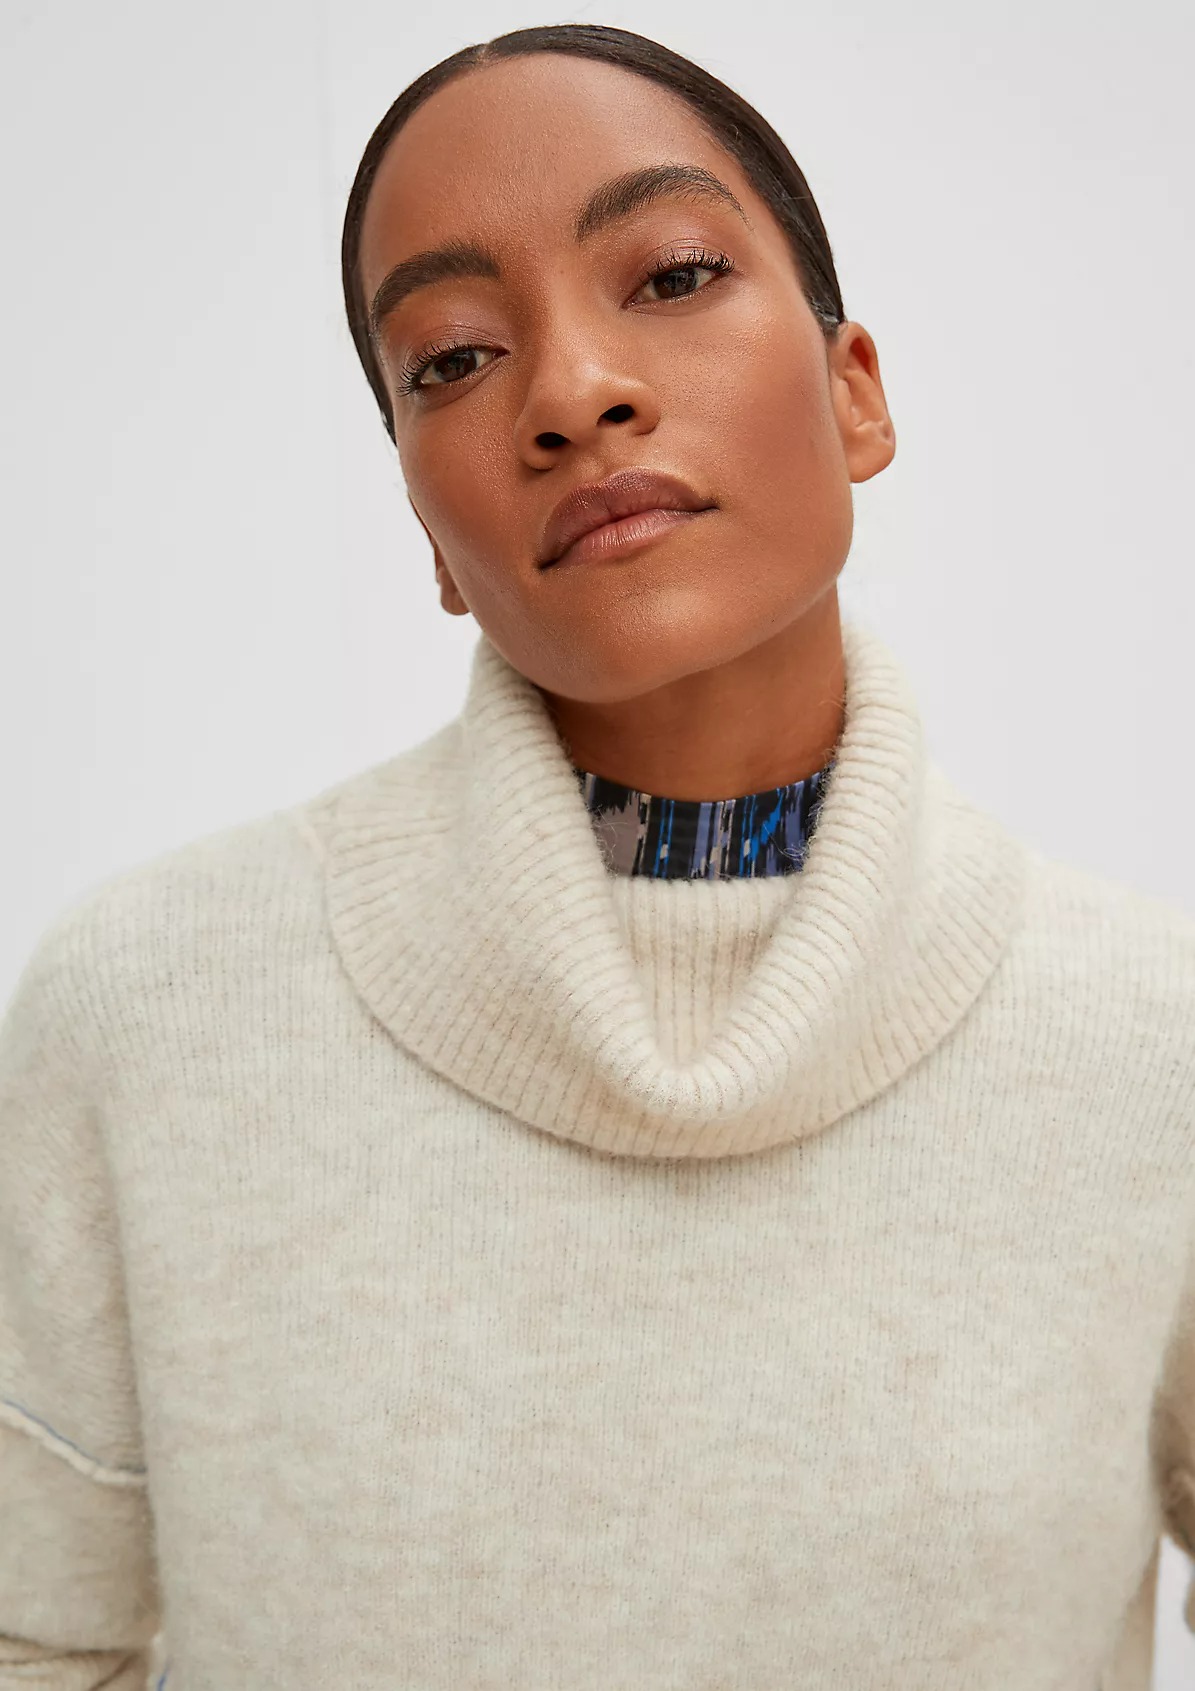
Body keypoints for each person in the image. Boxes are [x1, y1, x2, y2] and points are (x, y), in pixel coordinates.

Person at [1, 22, 1193, 1691]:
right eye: (453, 359)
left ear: (855, 393)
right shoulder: (149, 1016)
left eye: (675, 274)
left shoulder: (1152, 1043)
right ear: (428, 530)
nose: (571, 393)